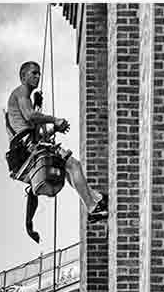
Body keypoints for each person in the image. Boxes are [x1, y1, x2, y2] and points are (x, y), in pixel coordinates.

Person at [7, 61, 108, 222]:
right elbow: (30, 116)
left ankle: (95, 199)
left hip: (27, 148)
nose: (37, 76)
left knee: (68, 169)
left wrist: (55, 129)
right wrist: (54, 120)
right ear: (23, 76)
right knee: (74, 165)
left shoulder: (25, 99)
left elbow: (36, 132)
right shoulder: (21, 91)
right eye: (34, 73)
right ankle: (92, 207)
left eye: (39, 73)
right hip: (28, 148)